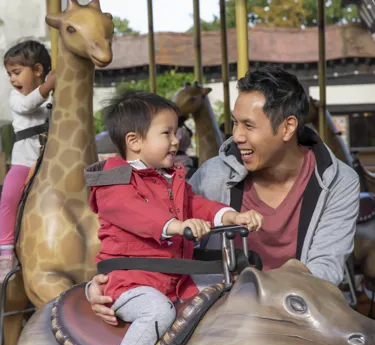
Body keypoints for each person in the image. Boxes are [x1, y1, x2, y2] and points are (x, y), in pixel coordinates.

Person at [87, 66, 359, 327]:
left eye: (248, 126)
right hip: (223, 317)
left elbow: (326, 269)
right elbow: (140, 230)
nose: (236, 135)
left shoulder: (337, 182)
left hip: (296, 313)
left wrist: (257, 295)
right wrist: (105, 284)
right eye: (235, 123)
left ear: (288, 128)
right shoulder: (212, 175)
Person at [84, 90, 263, 345]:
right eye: (166, 133)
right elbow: (135, 213)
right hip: (130, 281)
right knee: (157, 311)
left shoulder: (171, 179)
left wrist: (231, 215)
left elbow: (196, 204)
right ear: (134, 142)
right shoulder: (114, 181)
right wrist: (176, 225)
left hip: (172, 278)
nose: (176, 140)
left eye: (176, 131)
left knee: (225, 295)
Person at [0, 40, 56, 280]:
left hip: (50, 163)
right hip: (24, 163)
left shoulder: (54, 95)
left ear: (38, 70)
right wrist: (48, 88)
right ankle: (4, 250)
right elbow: (27, 105)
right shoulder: (16, 98)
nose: (13, 79)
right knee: (8, 196)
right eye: (10, 74)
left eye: (16, 72)